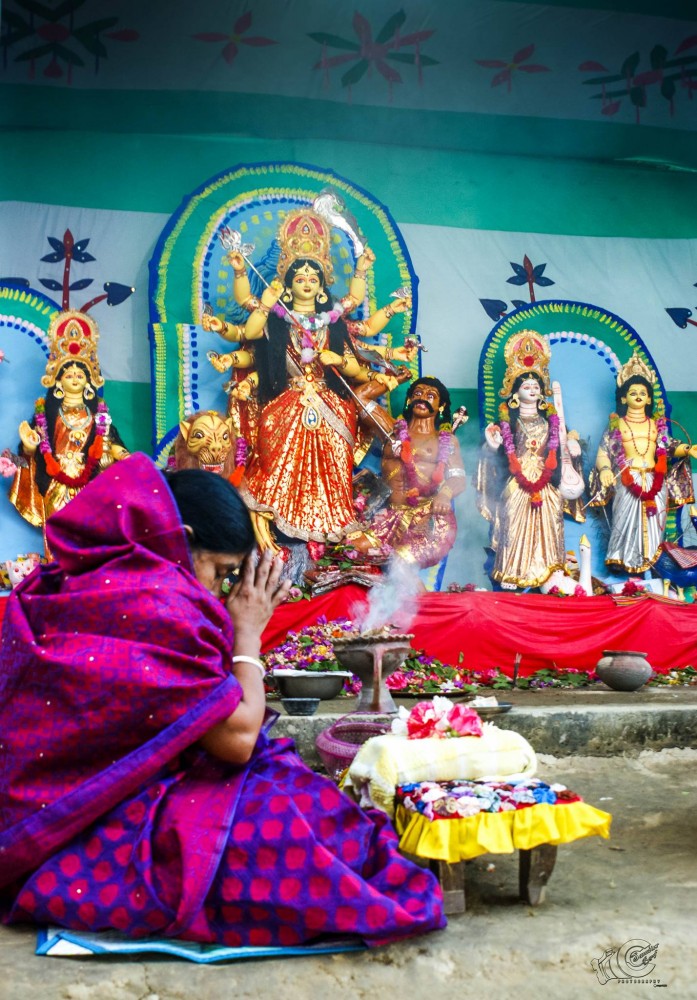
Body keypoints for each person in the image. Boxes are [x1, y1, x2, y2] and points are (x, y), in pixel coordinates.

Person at [0, 453, 445, 948]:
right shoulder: (155, 601)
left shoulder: (93, 577)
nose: (218, 589)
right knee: (294, 830)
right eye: (220, 570)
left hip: (51, 795)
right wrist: (247, 634)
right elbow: (236, 738)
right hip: (81, 813)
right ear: (183, 538)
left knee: (308, 810)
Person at [203, 208, 414, 552]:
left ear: (321, 286)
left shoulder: (334, 322)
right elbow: (247, 308)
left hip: (329, 400)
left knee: (332, 447)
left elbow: (356, 308)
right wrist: (241, 270)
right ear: (288, 284)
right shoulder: (275, 319)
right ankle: (282, 525)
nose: (305, 282)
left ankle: (331, 522)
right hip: (285, 399)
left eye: (312, 278)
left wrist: (338, 358)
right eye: (298, 277)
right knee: (274, 434)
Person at [8, 310, 128, 547]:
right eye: (69, 375)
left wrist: (123, 455)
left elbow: (111, 442)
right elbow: (31, 452)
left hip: (89, 483)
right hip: (56, 485)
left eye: (80, 375)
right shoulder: (46, 414)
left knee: (90, 539)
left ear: (88, 381)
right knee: (58, 541)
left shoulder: (98, 415)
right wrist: (30, 447)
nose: (74, 379)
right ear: (58, 381)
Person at [476, 331, 584, 590]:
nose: (533, 390)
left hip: (545, 480)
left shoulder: (552, 421)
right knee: (512, 521)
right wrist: (491, 446)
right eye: (527, 386)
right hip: (518, 478)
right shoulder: (507, 422)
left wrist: (572, 445)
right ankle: (512, 571)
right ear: (515, 393)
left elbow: (561, 453)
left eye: (536, 386)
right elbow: (493, 456)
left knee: (549, 522)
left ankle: (550, 573)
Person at [589, 353, 696, 574]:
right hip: (628, 481)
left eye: (643, 393)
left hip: (655, 480)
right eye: (632, 392)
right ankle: (623, 559)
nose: (638, 396)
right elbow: (603, 452)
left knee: (655, 525)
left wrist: (687, 449)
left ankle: (654, 564)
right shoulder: (616, 425)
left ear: (649, 399)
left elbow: (667, 446)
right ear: (623, 398)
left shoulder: (657, 425)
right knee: (624, 523)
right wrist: (606, 469)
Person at [369, 377, 466, 567]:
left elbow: (458, 478)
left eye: (431, 396)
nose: (422, 398)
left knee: (400, 565)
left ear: (441, 405)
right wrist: (393, 379)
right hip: (388, 516)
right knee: (353, 550)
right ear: (409, 400)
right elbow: (361, 397)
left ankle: (420, 597)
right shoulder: (390, 431)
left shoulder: (446, 440)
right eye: (417, 394)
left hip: (427, 517)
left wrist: (445, 495)